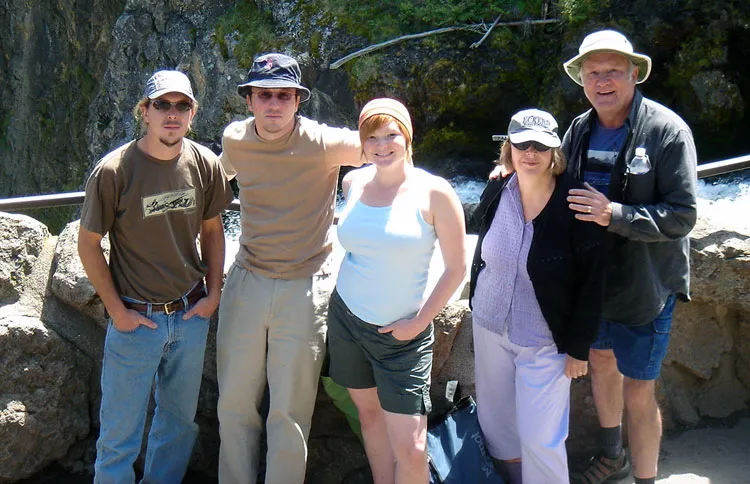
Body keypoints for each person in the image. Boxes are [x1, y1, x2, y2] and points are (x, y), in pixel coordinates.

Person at [216, 53, 365, 484]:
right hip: (247, 280)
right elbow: (211, 177)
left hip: (306, 286)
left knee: (289, 412)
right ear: (249, 100)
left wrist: (357, 182)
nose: (274, 104)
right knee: (234, 404)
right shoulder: (235, 139)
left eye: (284, 95)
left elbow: (388, 143)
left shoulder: (324, 143)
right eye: (265, 95)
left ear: (298, 101)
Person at [78, 70, 233, 483]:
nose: (172, 114)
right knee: (118, 438)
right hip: (136, 320)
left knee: (179, 426)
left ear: (192, 113)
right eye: (162, 104)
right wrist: (119, 313)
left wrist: (212, 295)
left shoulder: (204, 163)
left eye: (182, 105)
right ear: (144, 112)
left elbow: (213, 229)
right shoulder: (114, 171)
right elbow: (88, 244)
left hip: (189, 315)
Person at [561, 30, 698, 484]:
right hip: (594, 282)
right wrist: (512, 165)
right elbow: (556, 180)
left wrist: (614, 214)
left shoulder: (667, 131)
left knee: (640, 388)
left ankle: (645, 478)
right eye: (593, 72)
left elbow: (682, 215)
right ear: (581, 79)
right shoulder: (579, 129)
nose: (602, 81)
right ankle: (611, 455)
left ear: (634, 74)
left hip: (645, 285)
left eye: (613, 71)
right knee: (600, 363)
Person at [327, 98, 466, 484]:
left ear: (407, 136)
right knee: (370, 421)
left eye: (391, 135)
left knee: (412, 446)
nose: (382, 145)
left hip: (403, 337)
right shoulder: (352, 182)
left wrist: (420, 322)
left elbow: (457, 269)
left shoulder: (435, 192)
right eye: (372, 137)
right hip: (348, 321)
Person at [469, 109, 606, 484]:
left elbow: (593, 281)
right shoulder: (497, 189)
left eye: (541, 146)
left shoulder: (576, 203)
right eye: (522, 144)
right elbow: (481, 247)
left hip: (544, 341)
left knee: (541, 438)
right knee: (497, 427)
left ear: (554, 153)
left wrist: (579, 347)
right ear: (509, 148)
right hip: (490, 324)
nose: (530, 153)